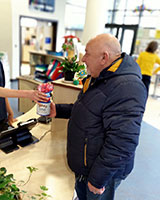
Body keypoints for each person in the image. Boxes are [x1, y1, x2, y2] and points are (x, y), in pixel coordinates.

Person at [49, 33, 147, 200]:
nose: (83, 59)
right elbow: (88, 110)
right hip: (88, 166)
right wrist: (58, 110)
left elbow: (122, 142)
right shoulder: (101, 77)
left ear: (104, 57)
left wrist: (97, 179)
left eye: (87, 53)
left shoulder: (127, 87)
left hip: (99, 173)